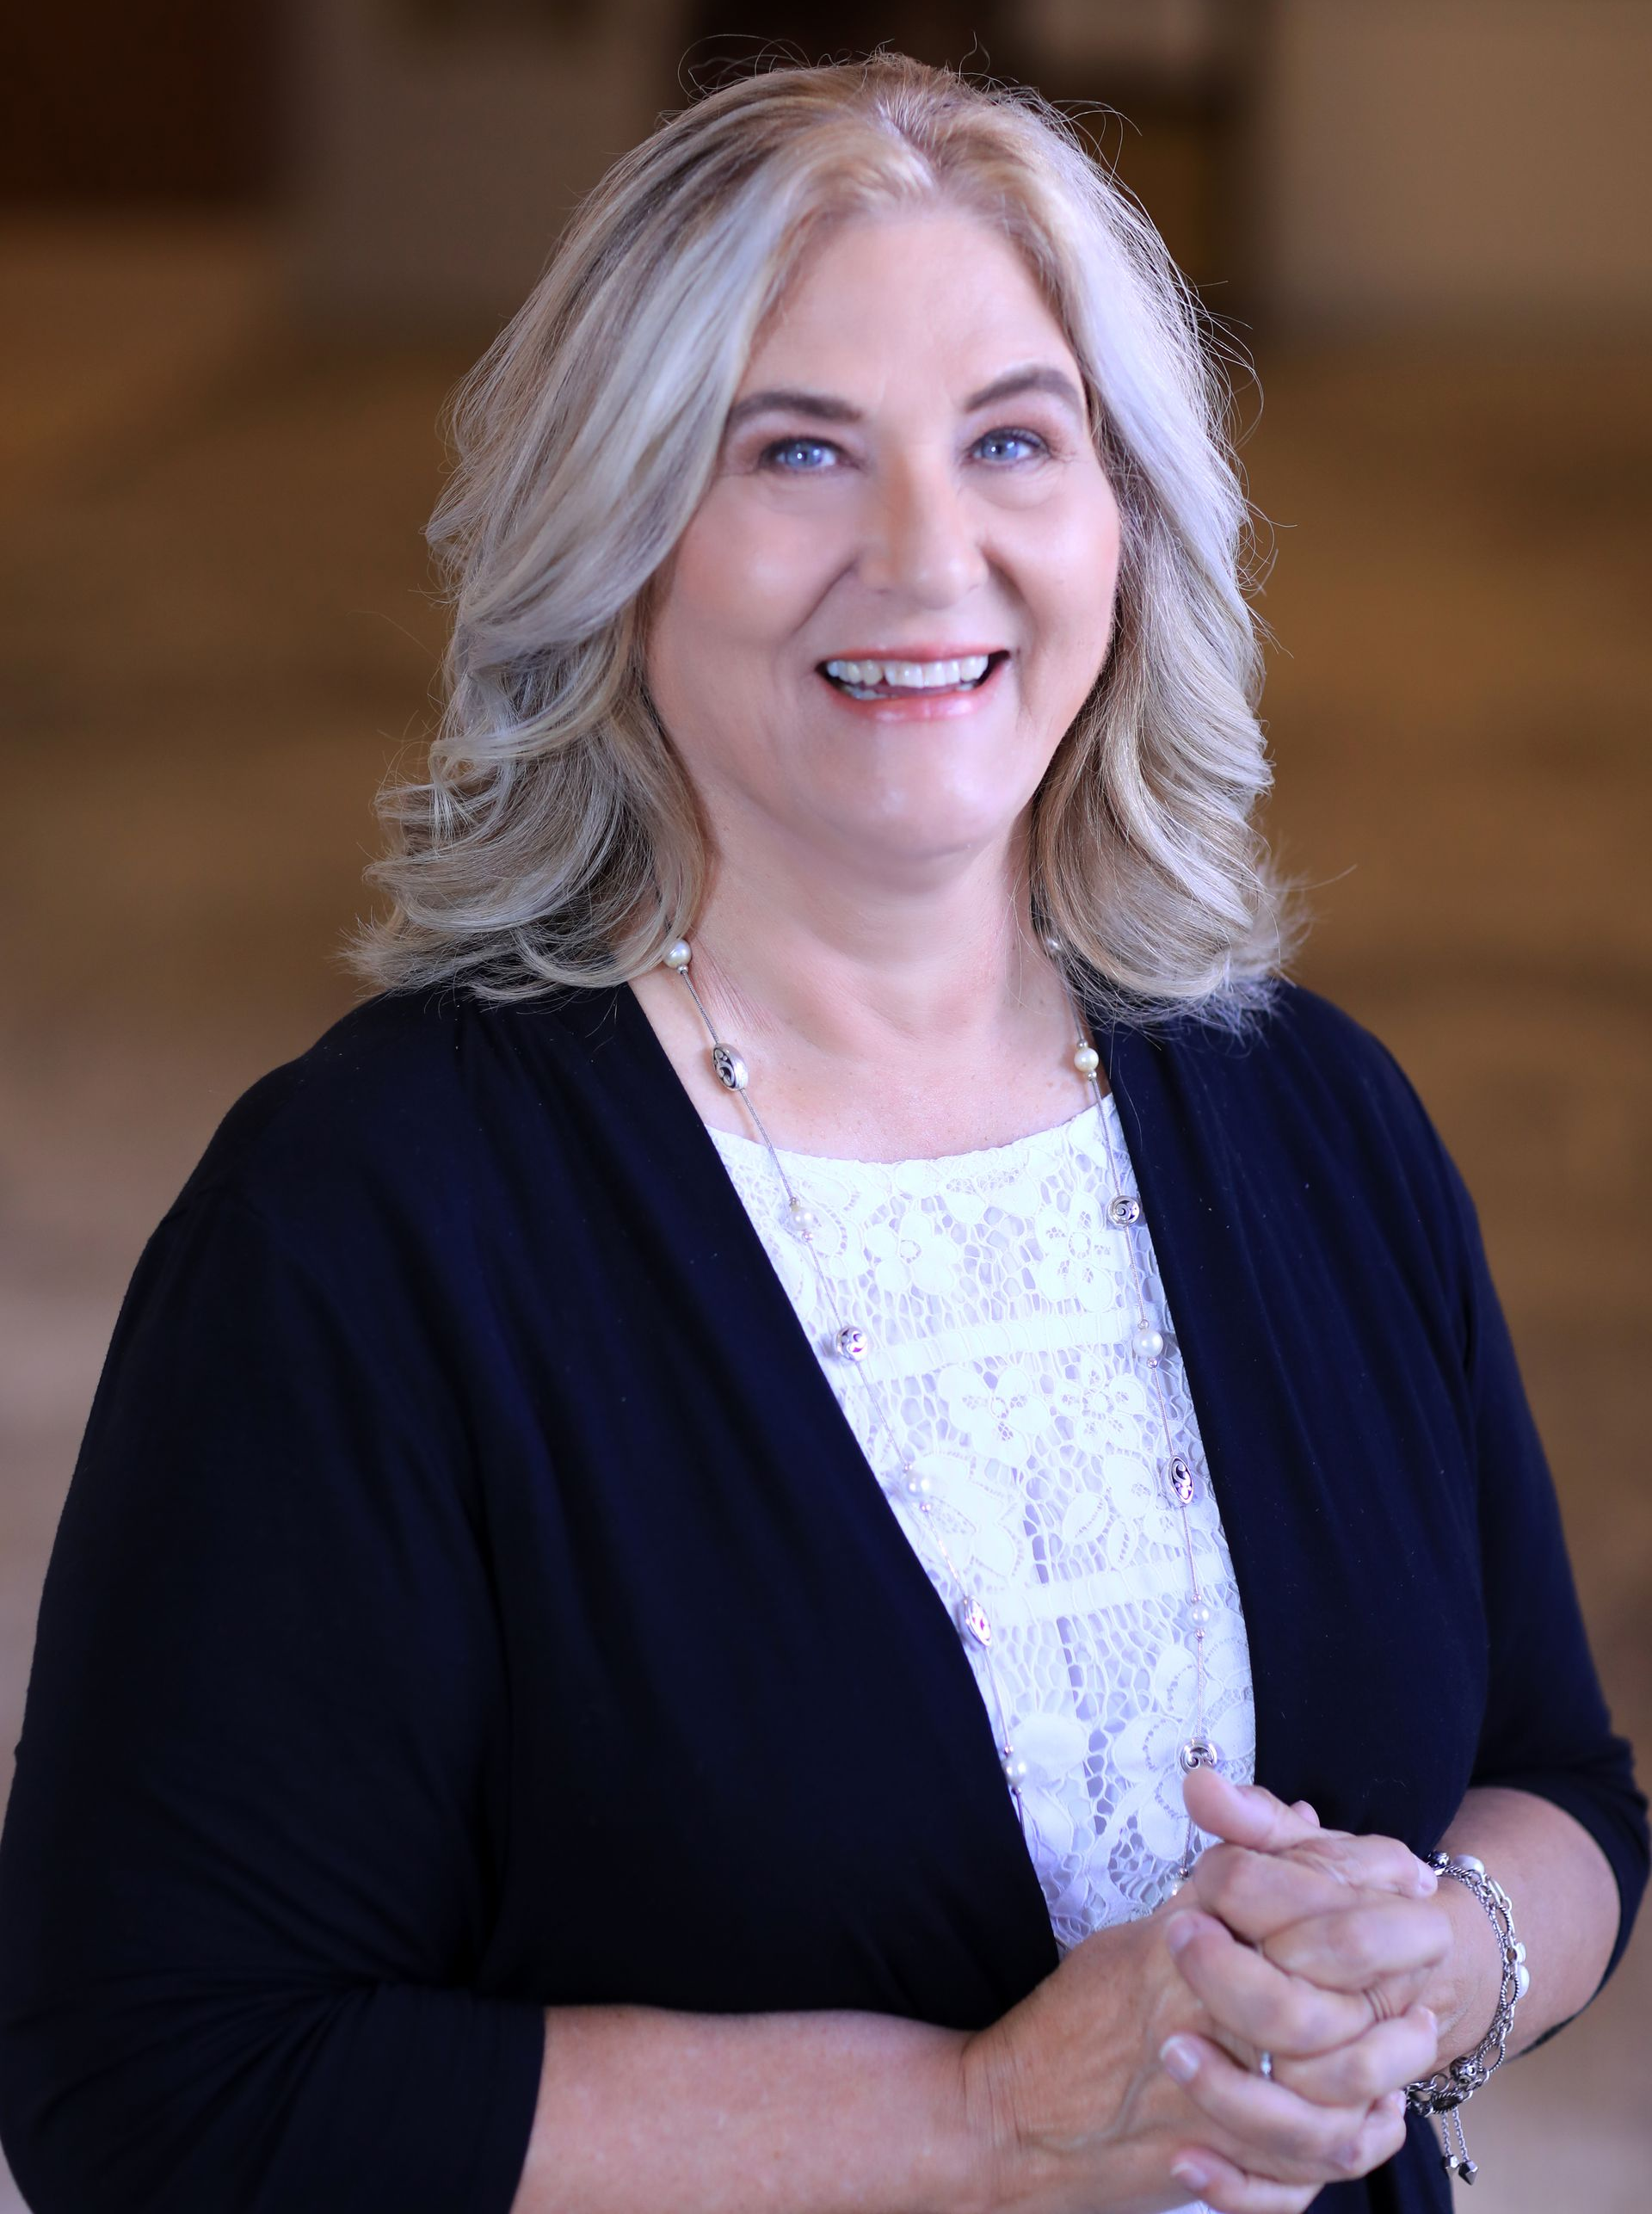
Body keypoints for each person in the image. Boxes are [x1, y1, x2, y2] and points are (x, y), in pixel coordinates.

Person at [0, 53, 1643, 2214]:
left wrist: (1443, 1961)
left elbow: (1559, 1785)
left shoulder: (1315, 1114)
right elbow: (152, 2079)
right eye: (797, 450)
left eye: (1013, 440)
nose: (927, 554)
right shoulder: (363, 1224)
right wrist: (973, 2121)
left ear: (1128, 523)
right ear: (618, 538)